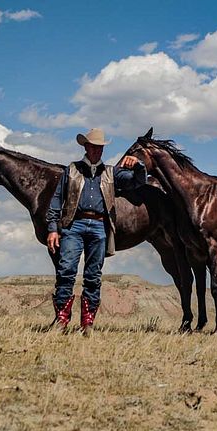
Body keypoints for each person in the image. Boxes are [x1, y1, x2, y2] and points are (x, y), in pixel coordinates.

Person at [46, 127, 147, 334]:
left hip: (100, 226)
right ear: (86, 147)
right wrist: (53, 229)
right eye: (93, 147)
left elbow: (138, 182)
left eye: (100, 147)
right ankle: (61, 321)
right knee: (66, 271)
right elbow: (57, 199)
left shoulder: (111, 172)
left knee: (93, 275)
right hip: (73, 225)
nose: (96, 151)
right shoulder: (71, 170)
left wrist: (138, 166)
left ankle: (87, 324)